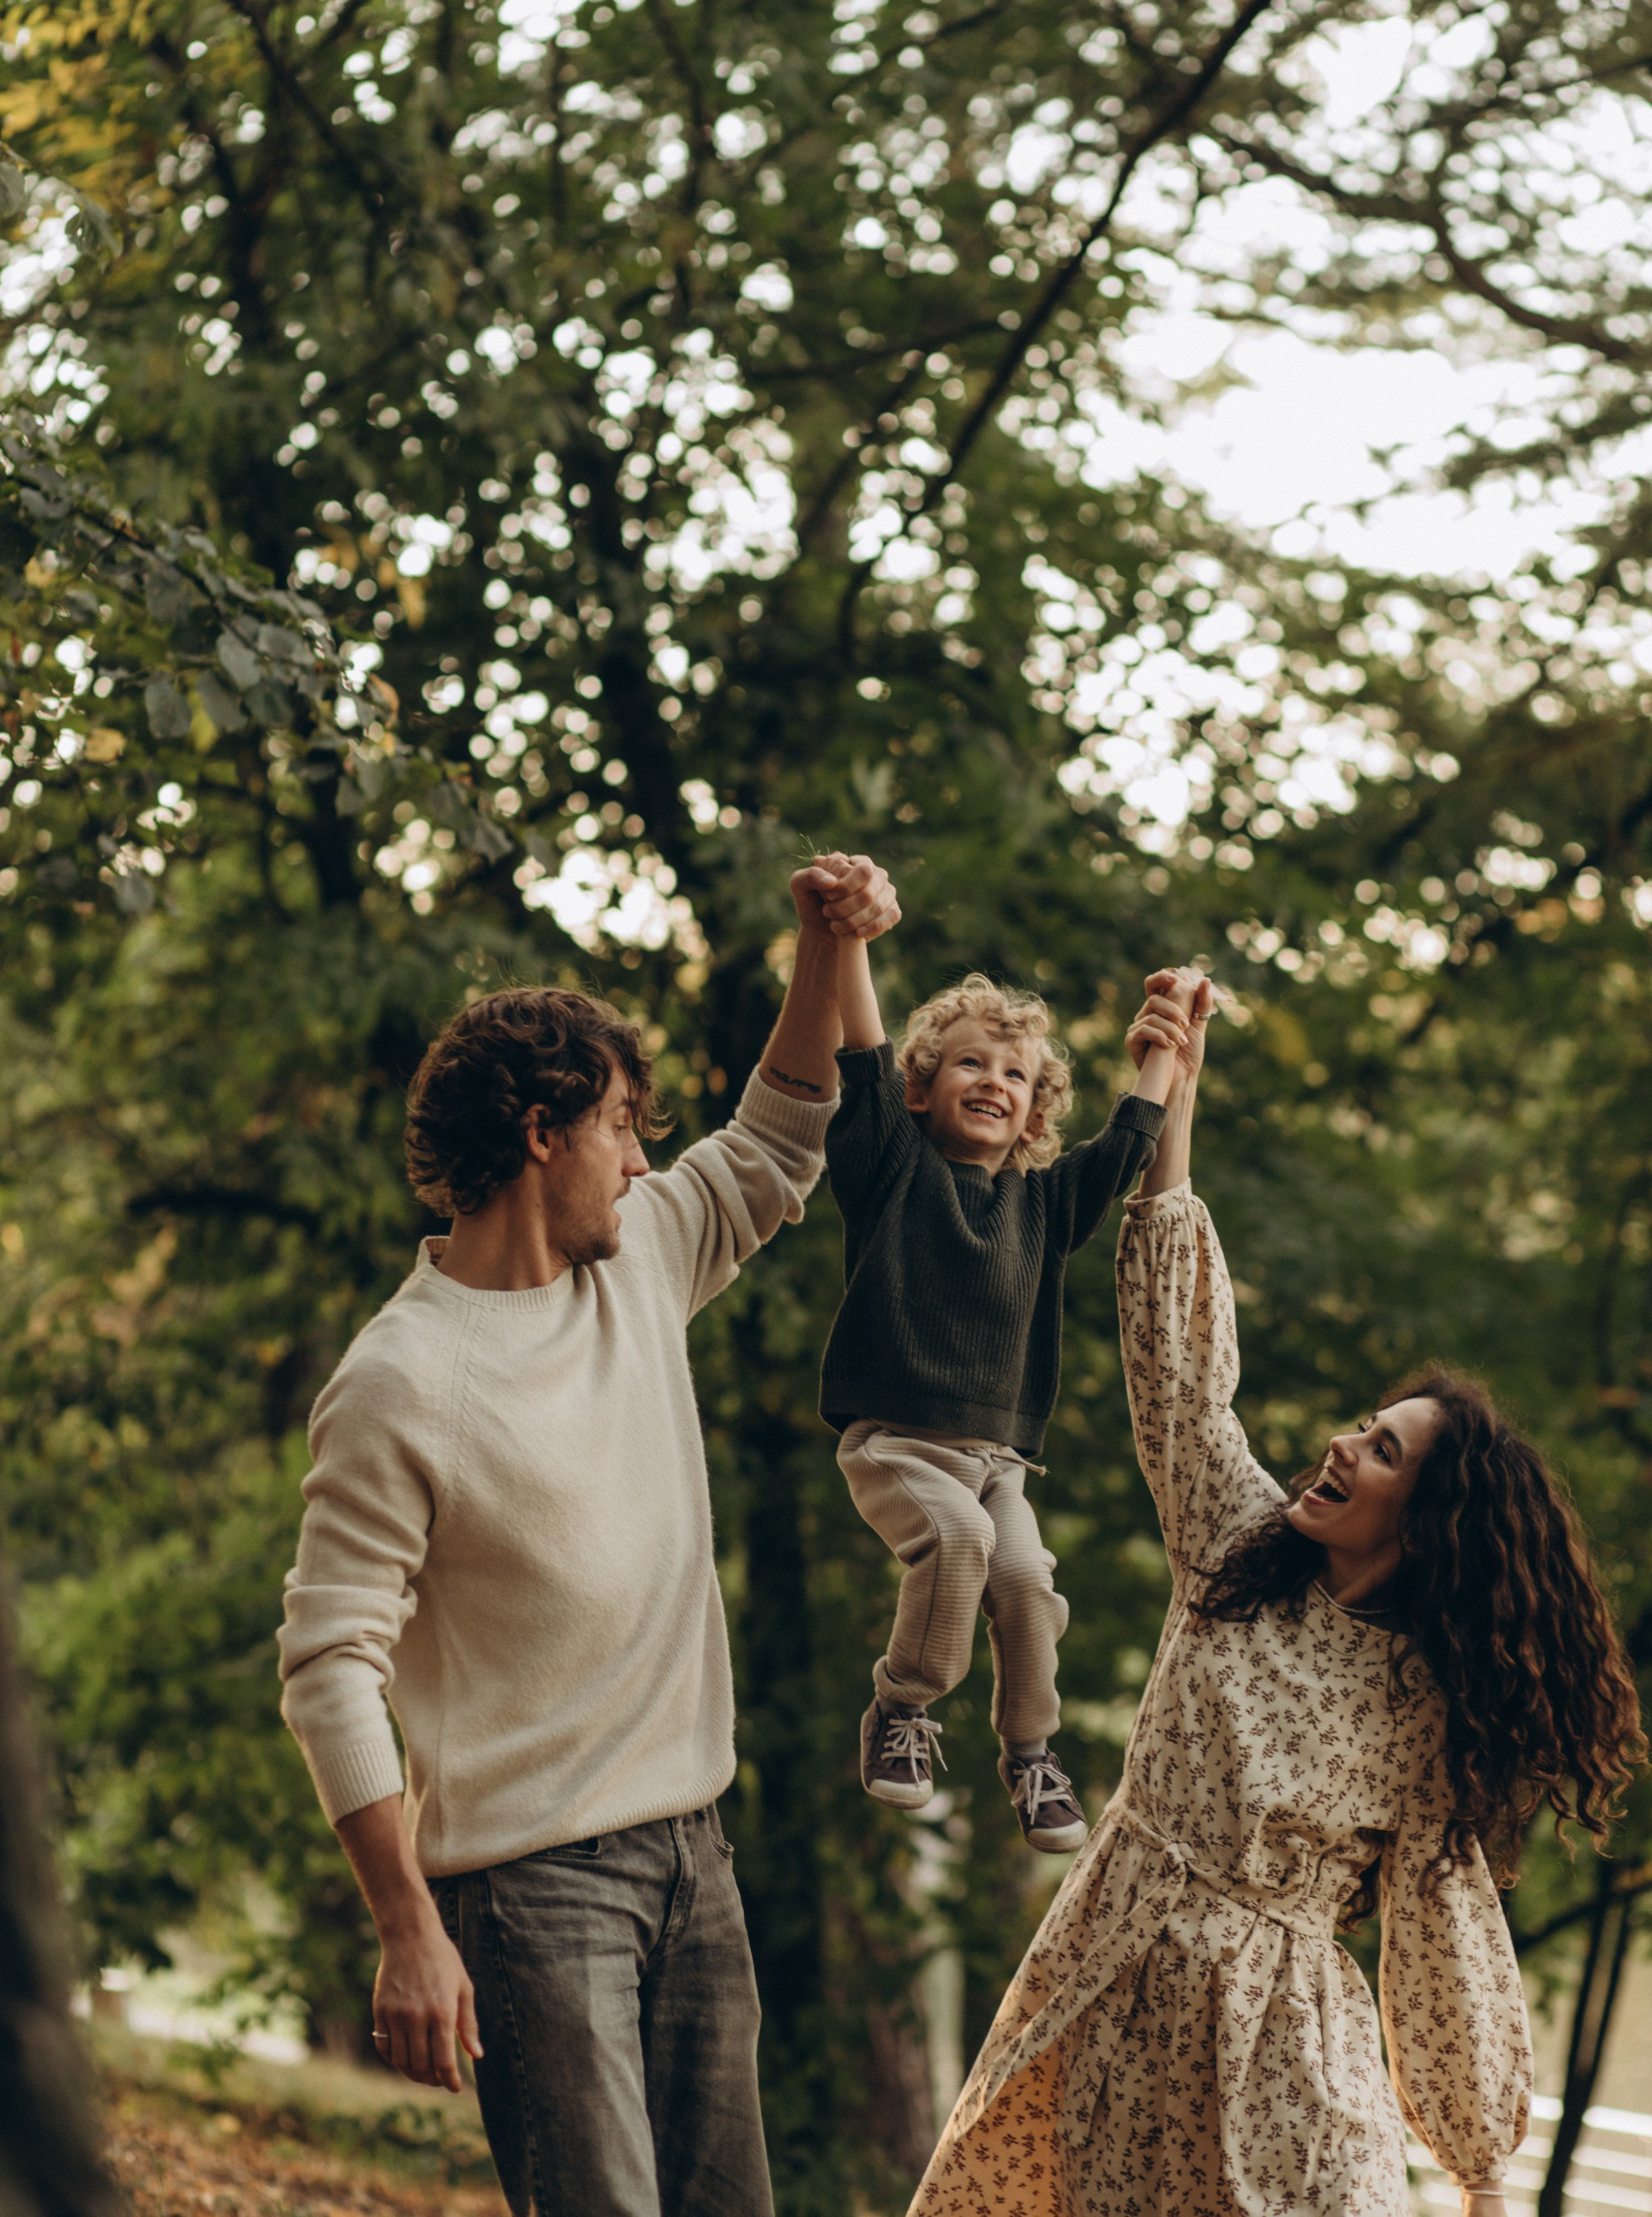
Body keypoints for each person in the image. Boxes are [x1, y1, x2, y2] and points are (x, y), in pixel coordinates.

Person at [910, 970, 1645, 2217]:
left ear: (1428, 1528)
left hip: (1285, 2042)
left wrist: (1476, 2165)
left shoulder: (1427, 1702)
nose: (1346, 1447)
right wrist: (1174, 1091)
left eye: (1384, 1451)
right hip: (1120, 1978)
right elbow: (1183, 1368)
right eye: (1364, 1425)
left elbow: (1442, 1924)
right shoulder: (1237, 1554)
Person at [276, 850, 899, 2217]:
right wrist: (407, 1927)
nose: (643, 1156)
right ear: (542, 1130)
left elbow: (787, 1129)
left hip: (694, 1851)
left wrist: (821, 945)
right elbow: (329, 1664)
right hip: (527, 1896)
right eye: (621, 1125)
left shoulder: (644, 1256)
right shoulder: (403, 1378)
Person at [816, 890, 1199, 1852]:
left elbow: (1129, 1143)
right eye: (970, 1064)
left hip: (1000, 1465)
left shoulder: (1043, 1207)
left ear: (1034, 1113)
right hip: (895, 1445)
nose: (994, 1080)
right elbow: (858, 1054)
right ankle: (902, 1710)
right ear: (922, 1090)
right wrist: (850, 936)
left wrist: (1173, 1037)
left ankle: (1032, 1755)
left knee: (1024, 1579)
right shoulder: (890, 1166)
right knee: (956, 1543)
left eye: (1016, 1074)